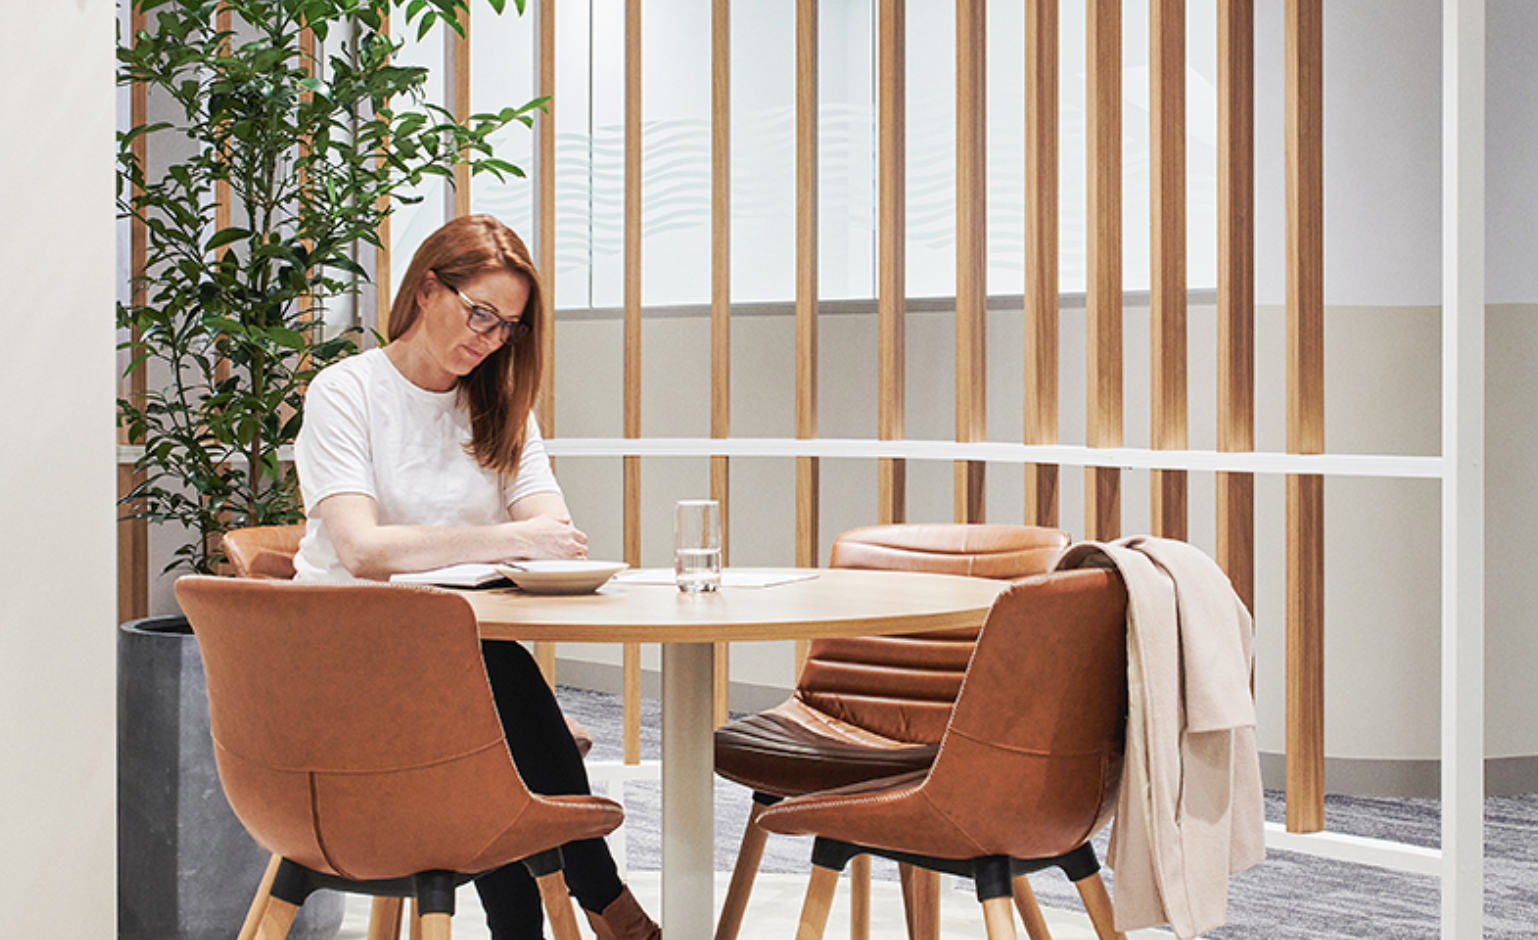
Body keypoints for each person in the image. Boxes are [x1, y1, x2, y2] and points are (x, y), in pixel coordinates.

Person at [292, 214, 661, 940]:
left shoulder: (499, 409)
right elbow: (362, 552)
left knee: (483, 699)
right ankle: (604, 896)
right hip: (342, 671)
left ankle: (543, 922)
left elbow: (553, 538)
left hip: (453, 670)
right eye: (479, 314)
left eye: (507, 327)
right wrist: (506, 537)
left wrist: (517, 540)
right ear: (429, 289)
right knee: (496, 686)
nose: (488, 339)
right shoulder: (346, 394)